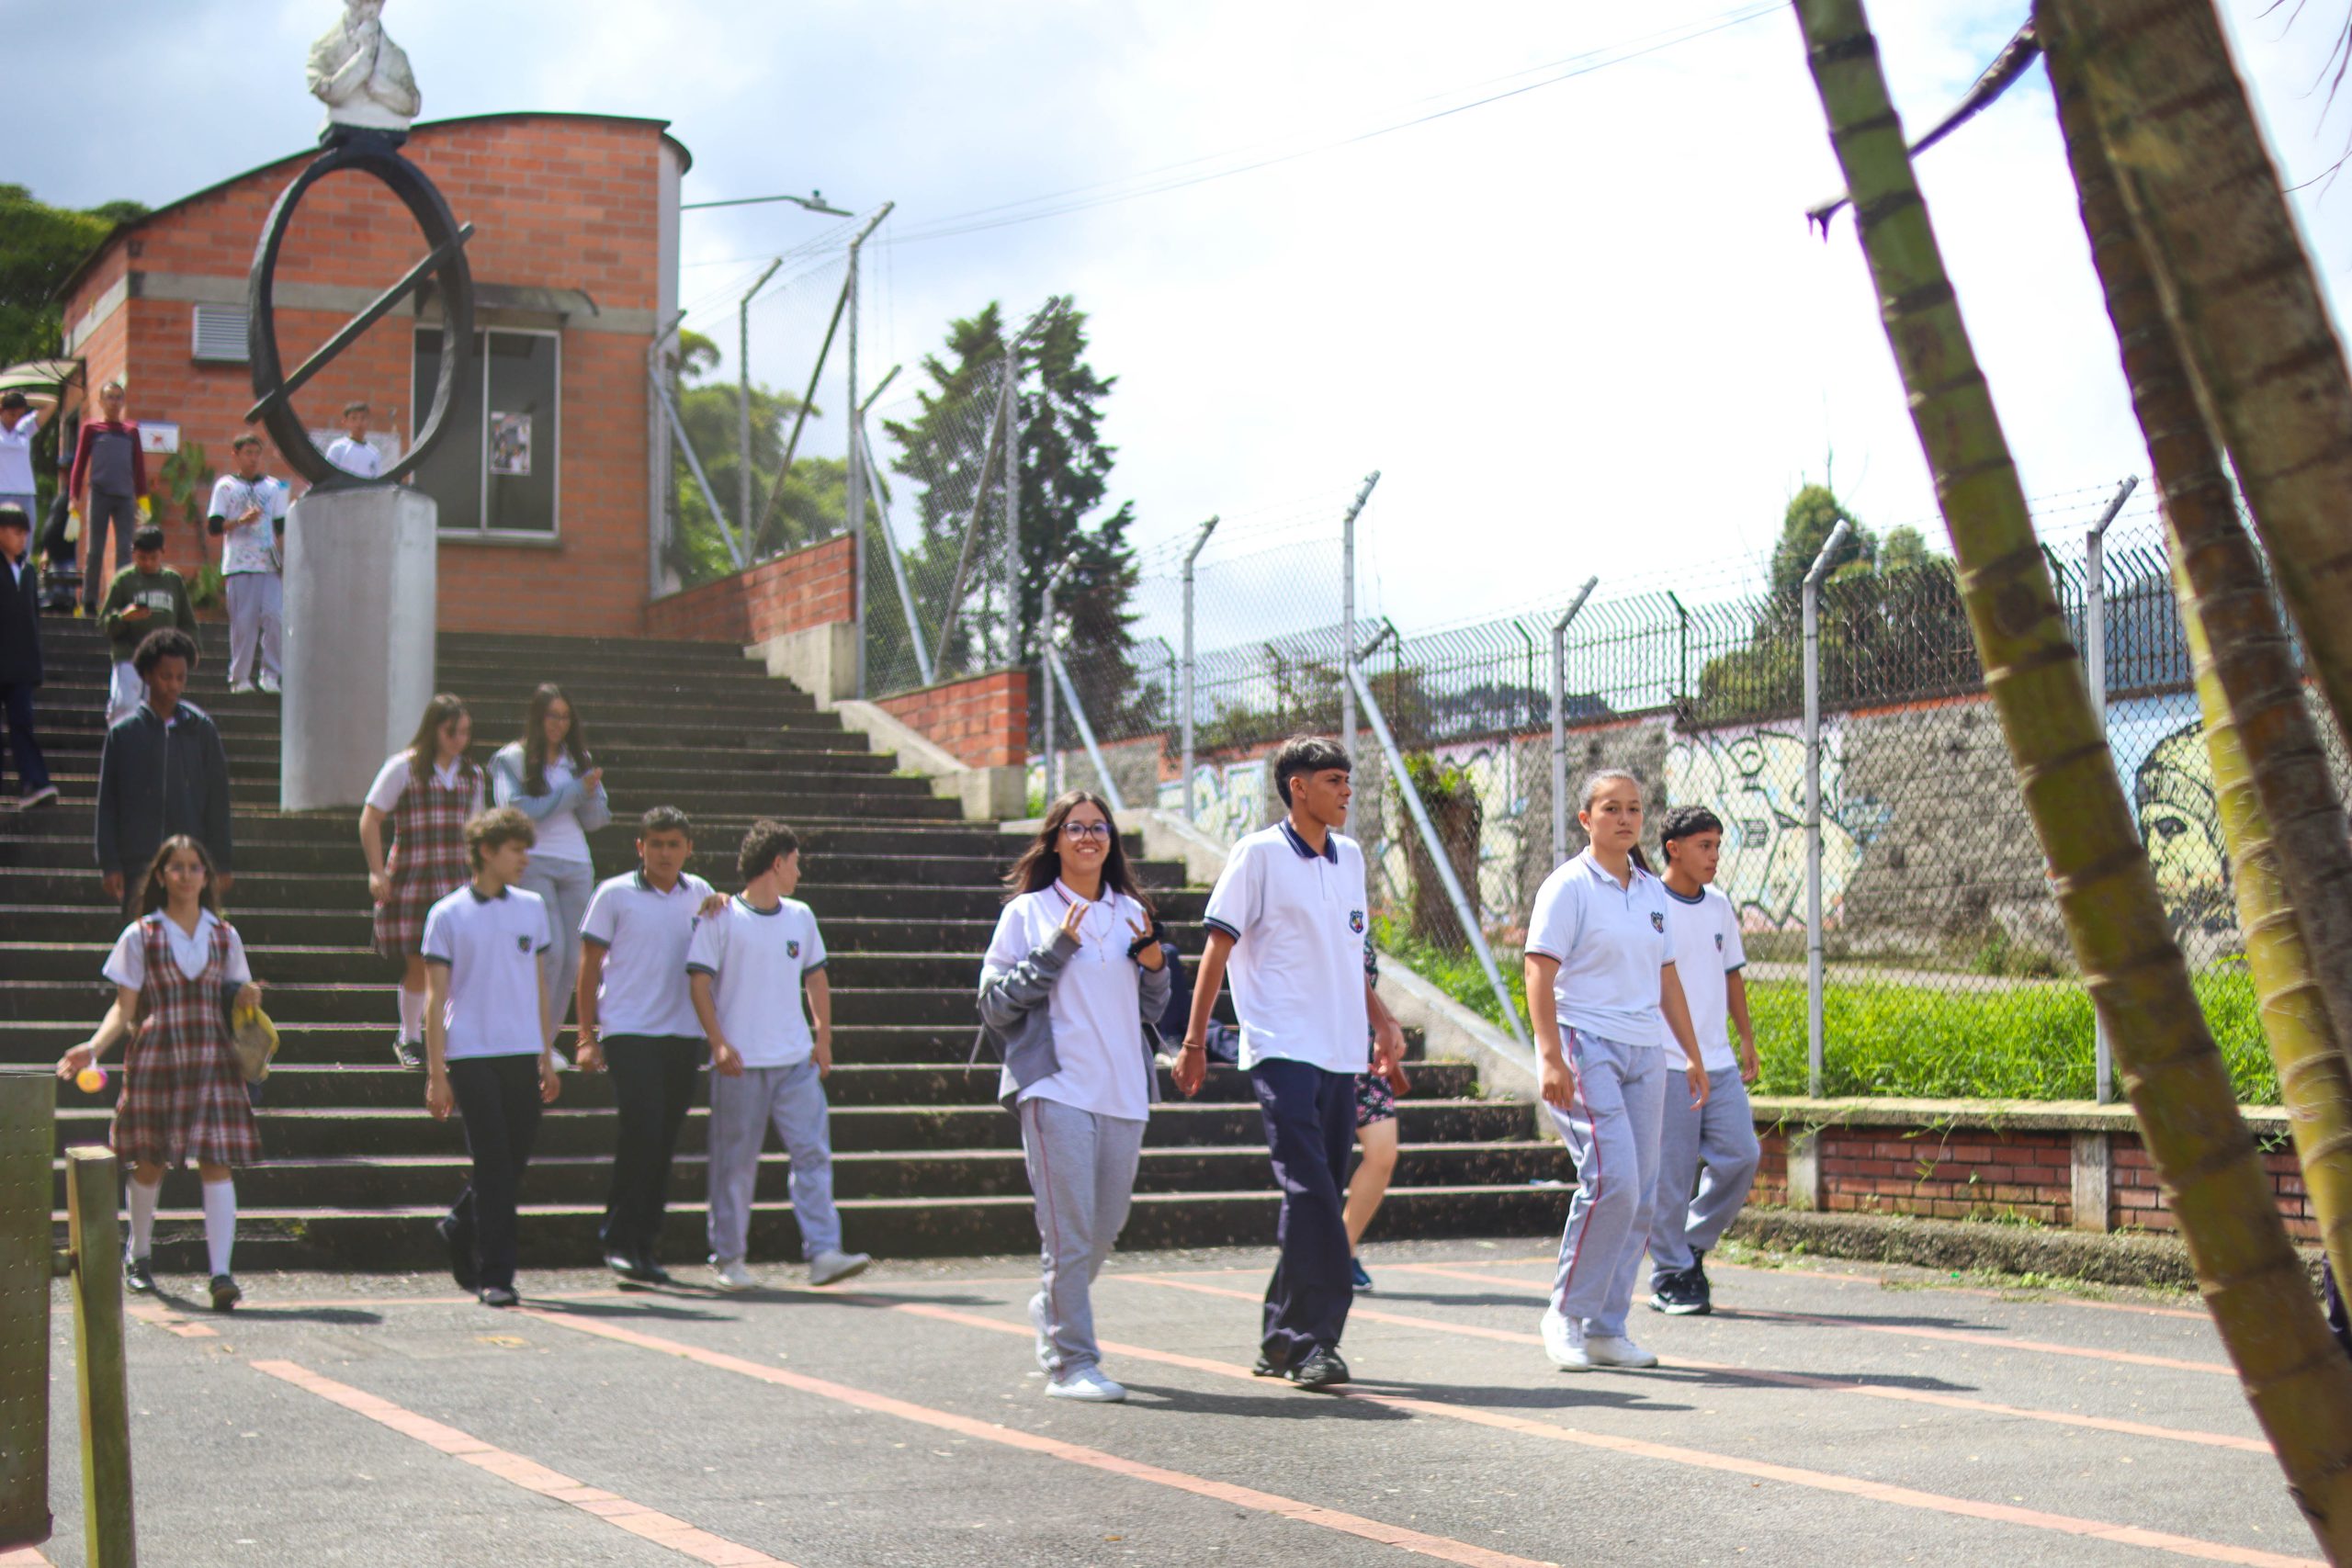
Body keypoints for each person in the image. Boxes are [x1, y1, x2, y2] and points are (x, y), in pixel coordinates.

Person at [1174, 735, 1407, 1391]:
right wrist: (1195, 1042)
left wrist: (1382, 1018)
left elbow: (1349, 952)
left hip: (1341, 1049)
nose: (1346, 790)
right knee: (1309, 1190)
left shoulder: (1351, 857)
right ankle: (1315, 1342)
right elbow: (1217, 950)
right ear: (1297, 786)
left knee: (1320, 1194)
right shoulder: (1257, 854)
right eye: (1334, 779)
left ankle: (1279, 1336)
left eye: (1347, 778)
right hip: (1279, 1045)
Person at [979, 791, 1175, 1403]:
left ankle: (1052, 1305)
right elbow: (994, 1004)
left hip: (1122, 1089)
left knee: (1104, 1227)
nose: (1089, 836)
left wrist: (1154, 965)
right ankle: (1073, 1362)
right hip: (1055, 1086)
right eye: (1076, 827)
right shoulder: (1027, 913)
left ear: (1111, 840)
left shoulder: (1130, 911)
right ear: (1056, 839)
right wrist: (1055, 948)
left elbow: (1153, 1007)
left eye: (1100, 827)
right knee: (1067, 1232)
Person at [1524, 770, 1709, 1373]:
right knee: (1613, 1180)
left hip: (1644, 1051)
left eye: (1633, 808)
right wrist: (1550, 1053)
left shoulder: (1651, 890)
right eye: (1611, 808)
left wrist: (1693, 1053)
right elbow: (1539, 972)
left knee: (1642, 1195)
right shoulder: (1568, 886)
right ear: (1586, 818)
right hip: (1585, 1042)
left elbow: (1667, 978)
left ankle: (1607, 1327)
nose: (1625, 818)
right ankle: (1565, 1314)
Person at [57, 836, 262, 1312]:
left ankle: (221, 1274)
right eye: (177, 867)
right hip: (157, 1056)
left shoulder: (225, 935)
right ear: (162, 875)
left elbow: (239, 996)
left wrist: (248, 996)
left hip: (212, 1056)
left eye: (195, 867)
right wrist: (92, 1047)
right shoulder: (140, 934)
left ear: (206, 877)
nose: (187, 875)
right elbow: (123, 1007)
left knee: (217, 1159)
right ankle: (139, 1255)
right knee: (149, 1159)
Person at [688, 819, 871, 1291]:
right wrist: (718, 1043)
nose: (799, 873)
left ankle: (824, 1252)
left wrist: (823, 1037)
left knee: (812, 1154)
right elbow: (699, 983)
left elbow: (815, 978)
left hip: (795, 1061)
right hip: (740, 1064)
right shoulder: (720, 916)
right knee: (735, 1164)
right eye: (795, 863)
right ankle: (729, 1259)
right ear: (776, 862)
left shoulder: (801, 916)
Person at [423, 807, 560, 1308]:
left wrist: (547, 1054)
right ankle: (496, 1273)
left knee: (511, 1163)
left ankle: (459, 1224)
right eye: (515, 849)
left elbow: (539, 986)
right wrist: (437, 1073)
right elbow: (435, 999)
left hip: (522, 1051)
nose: (525, 857)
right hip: (470, 1054)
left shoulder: (532, 906)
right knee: (495, 1164)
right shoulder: (447, 913)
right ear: (486, 851)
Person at [575, 806, 713, 1284]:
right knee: (642, 1131)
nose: (665, 853)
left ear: (688, 849)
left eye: (674, 844)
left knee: (665, 1141)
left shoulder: (703, 895)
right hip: (629, 1030)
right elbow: (588, 966)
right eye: (655, 843)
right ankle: (618, 1239)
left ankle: (645, 1246)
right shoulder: (612, 894)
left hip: (684, 1032)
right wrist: (586, 1036)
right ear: (640, 847)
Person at [1646, 806, 1761, 1316]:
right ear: (1674, 848)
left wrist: (1747, 1040)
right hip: (1668, 1062)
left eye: (1718, 845)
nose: (1715, 856)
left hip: (1716, 1061)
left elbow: (1731, 975)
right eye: (1704, 846)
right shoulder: (1649, 903)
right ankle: (1670, 1276)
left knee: (1742, 1156)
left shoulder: (1718, 906)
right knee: (1672, 1174)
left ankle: (1687, 1246)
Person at [362, 694, 485, 1068]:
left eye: (465, 733)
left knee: (452, 963)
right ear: (434, 729)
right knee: (418, 960)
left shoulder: (472, 775)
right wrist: (376, 870)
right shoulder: (403, 768)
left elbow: (477, 829)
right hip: (413, 876)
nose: (459, 740)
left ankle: (448, 1036)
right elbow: (370, 818)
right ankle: (410, 1036)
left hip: (455, 878)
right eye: (452, 732)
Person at [491, 684, 609, 1051]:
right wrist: (574, 792)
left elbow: (596, 820)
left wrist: (590, 792)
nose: (558, 724)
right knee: (551, 952)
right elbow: (520, 811)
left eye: (564, 716)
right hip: (534, 860)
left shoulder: (579, 759)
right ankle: (529, 1036)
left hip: (576, 862)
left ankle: (545, 1041)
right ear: (537, 717)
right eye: (551, 716)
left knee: (573, 957)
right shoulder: (511, 759)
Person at [95, 628, 232, 919]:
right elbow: (108, 801)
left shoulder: (201, 730)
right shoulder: (124, 734)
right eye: (165, 677)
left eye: (180, 678)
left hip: (190, 864)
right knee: (141, 945)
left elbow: (218, 799)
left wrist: (221, 861)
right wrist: (110, 862)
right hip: (139, 862)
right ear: (146, 675)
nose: (173, 685)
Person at [1344, 942, 1409, 1293]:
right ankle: (1316, 1254)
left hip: (1367, 1050)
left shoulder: (1355, 900)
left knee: (1383, 1153)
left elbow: (1362, 979)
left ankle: (1343, 1249)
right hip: (1321, 1045)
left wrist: (1389, 1021)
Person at [206, 434, 289, 695]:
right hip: (240, 564)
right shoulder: (226, 487)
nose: (253, 458)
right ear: (236, 455)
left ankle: (271, 674)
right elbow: (214, 526)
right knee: (244, 623)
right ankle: (240, 677)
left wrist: (286, 558)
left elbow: (281, 527)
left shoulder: (274, 487)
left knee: (275, 617)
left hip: (268, 563)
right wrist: (240, 520)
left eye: (256, 453)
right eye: (248, 453)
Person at [97, 525, 196, 728]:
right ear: (134, 553)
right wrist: (124, 617)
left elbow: (186, 620)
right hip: (129, 654)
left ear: (163, 553)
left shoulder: (173, 581)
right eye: (142, 558)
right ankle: (120, 745)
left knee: (161, 710)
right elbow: (104, 622)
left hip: (163, 658)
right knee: (124, 704)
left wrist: (193, 650)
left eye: (153, 557)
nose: (148, 563)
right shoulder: (124, 580)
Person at [69, 381, 147, 614]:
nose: (114, 402)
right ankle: (90, 601)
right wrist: (74, 496)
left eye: (118, 397)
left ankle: (121, 600)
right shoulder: (91, 429)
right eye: (109, 397)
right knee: (95, 549)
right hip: (100, 494)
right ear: (101, 402)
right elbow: (79, 464)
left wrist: (143, 499)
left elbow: (139, 467)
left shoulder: (131, 431)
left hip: (125, 497)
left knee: (125, 549)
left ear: (123, 402)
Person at [0, 504, 55, 810]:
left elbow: (34, 616)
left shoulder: (29, 570)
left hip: (21, 664)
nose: (21, 538)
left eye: (24, 533)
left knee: (23, 724)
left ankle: (34, 782)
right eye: (14, 531)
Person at [0, 389, 56, 525]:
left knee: (25, 540)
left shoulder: (23, 427)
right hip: (2, 493)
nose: (15, 419)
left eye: (19, 415)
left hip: (25, 493)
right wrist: (4, 398)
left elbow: (52, 404)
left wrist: (22, 398)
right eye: (12, 414)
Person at [324, 400, 381, 479]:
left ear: (368, 421)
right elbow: (328, 476)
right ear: (345, 422)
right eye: (354, 418)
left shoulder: (374, 453)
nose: (359, 423)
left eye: (363, 418)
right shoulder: (338, 448)